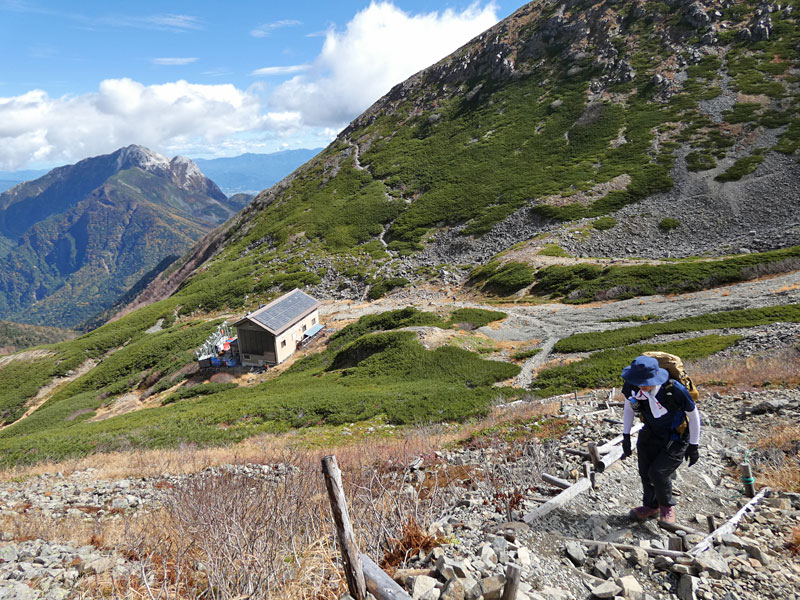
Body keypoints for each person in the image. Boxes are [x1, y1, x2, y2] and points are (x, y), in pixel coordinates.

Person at [620, 355, 701, 524]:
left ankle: (666, 507)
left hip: (676, 435)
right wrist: (626, 436)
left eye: (645, 381)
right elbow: (628, 407)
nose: (641, 385)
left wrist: (694, 445)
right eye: (638, 381)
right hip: (650, 431)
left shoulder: (675, 390)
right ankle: (651, 506)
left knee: (658, 473)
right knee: (645, 470)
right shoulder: (632, 387)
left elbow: (693, 416)